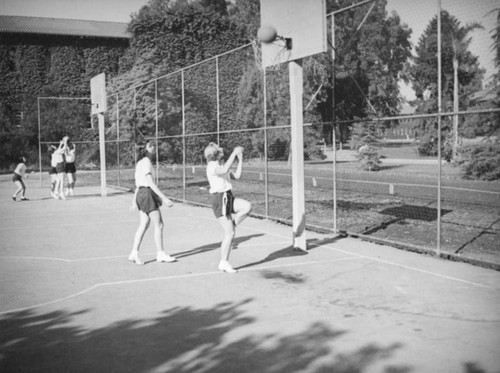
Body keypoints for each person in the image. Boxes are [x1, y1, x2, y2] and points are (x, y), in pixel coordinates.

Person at [204, 142, 252, 273]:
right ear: (214, 155)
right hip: (220, 199)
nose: (221, 152)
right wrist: (234, 152)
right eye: (219, 151)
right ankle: (223, 262)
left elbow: (237, 176)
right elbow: (225, 170)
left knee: (247, 207)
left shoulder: (221, 165)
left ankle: (232, 225)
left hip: (228, 196)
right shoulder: (212, 166)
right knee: (230, 233)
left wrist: (240, 160)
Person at [128, 140, 177, 265]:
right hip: (146, 194)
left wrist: (134, 200)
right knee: (159, 224)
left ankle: (134, 252)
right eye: (152, 146)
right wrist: (164, 198)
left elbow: (138, 185)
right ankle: (160, 253)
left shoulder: (140, 163)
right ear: (146, 148)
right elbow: (149, 182)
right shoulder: (146, 162)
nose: (154, 148)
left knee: (144, 224)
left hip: (142, 194)